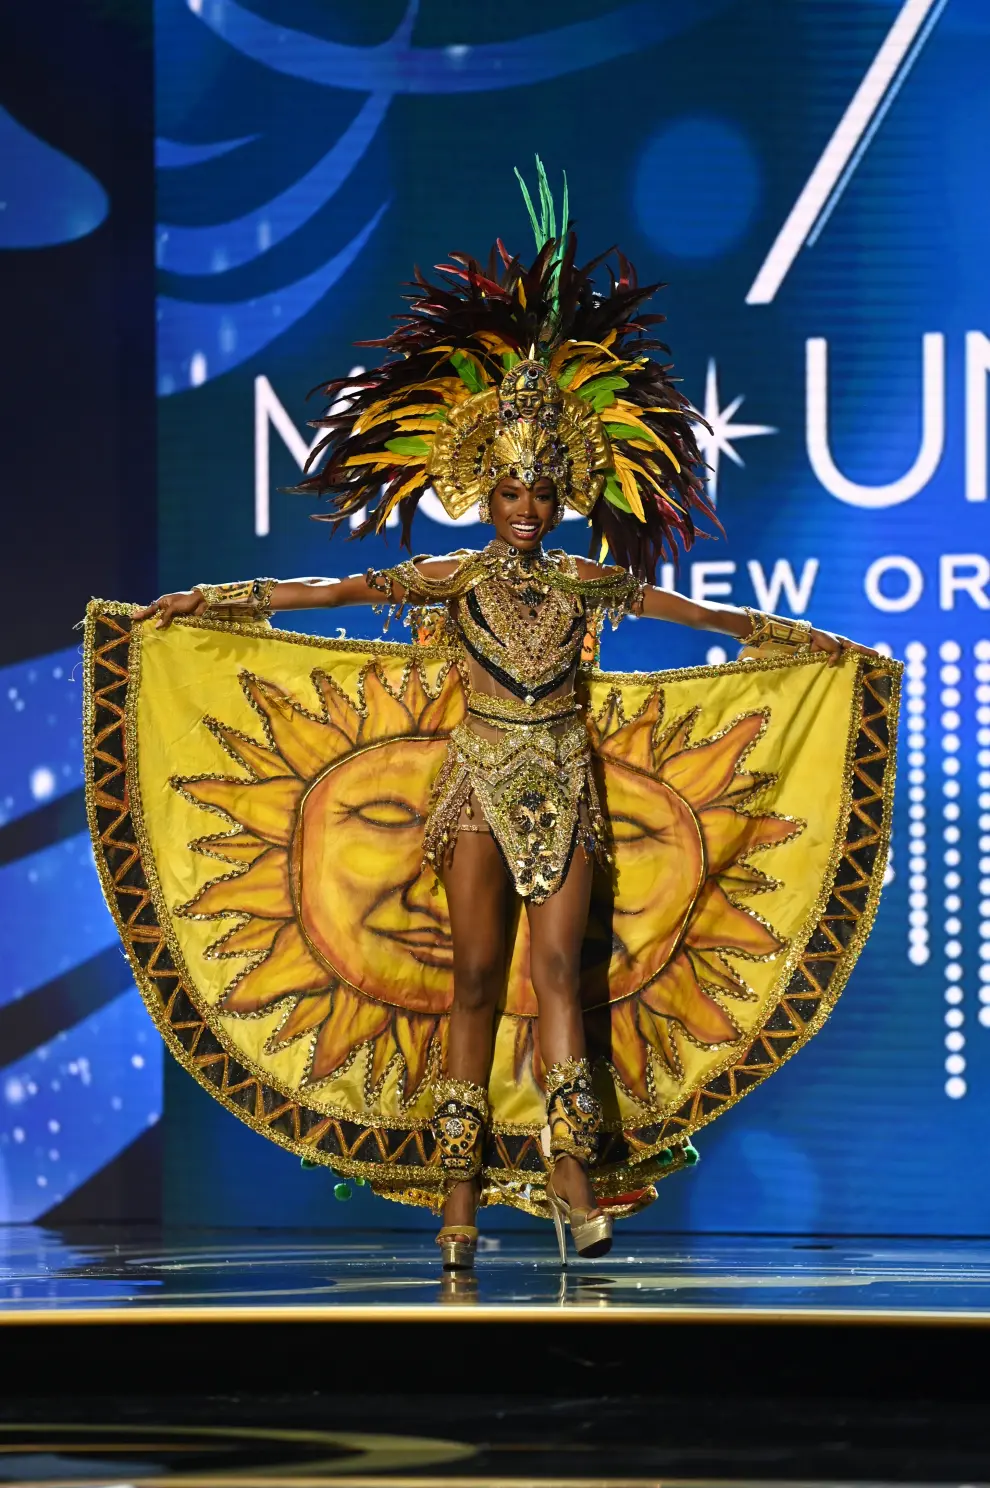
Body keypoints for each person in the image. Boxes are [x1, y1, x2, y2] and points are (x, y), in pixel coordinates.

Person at [133, 176, 879, 1270]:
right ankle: (458, 1203)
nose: (527, 507)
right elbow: (328, 596)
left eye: (543, 492)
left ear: (562, 496)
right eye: (511, 491)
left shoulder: (583, 583)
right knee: (476, 985)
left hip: (567, 795)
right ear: (485, 491)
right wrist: (210, 602)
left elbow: (694, 611)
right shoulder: (448, 579)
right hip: (477, 788)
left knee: (560, 980)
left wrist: (799, 643)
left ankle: (574, 1178)